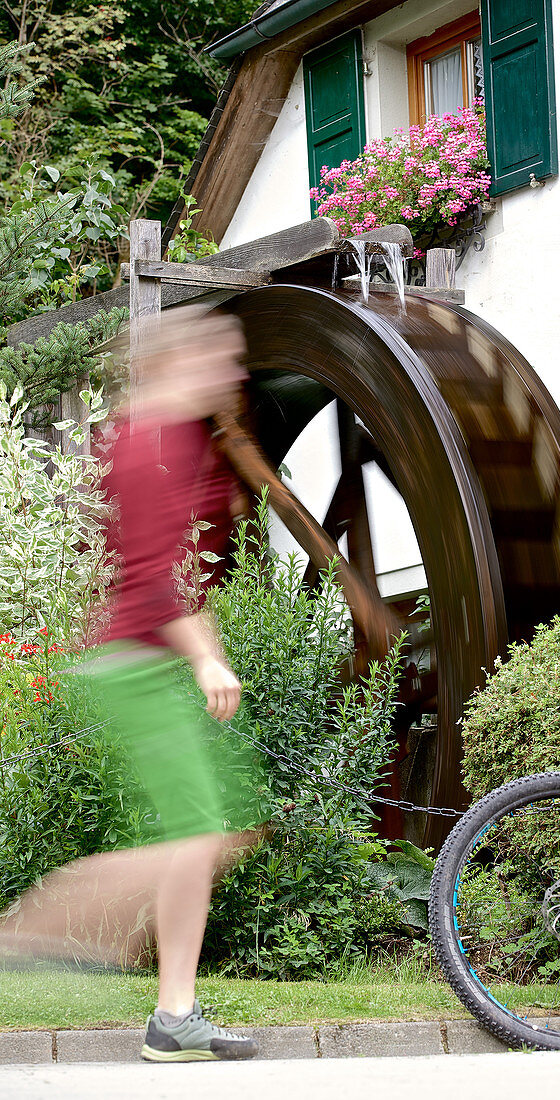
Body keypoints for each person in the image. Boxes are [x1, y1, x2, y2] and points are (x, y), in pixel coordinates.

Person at [1, 306, 268, 1062]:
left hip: (150, 658)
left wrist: (206, 648)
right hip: (133, 664)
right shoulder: (148, 440)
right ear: (179, 360)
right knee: (201, 833)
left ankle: (174, 1015)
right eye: (224, 357)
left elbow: (184, 574)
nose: (236, 372)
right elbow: (152, 578)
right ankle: (29, 930)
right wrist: (204, 658)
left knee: (216, 832)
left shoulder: (178, 437)